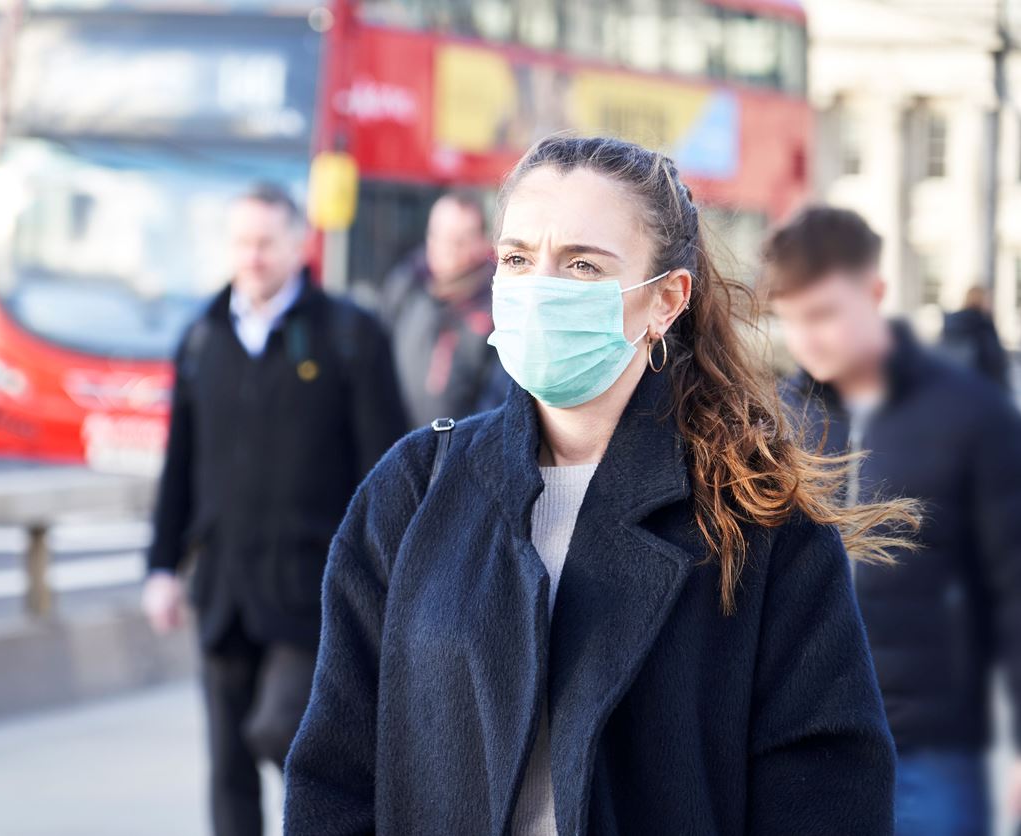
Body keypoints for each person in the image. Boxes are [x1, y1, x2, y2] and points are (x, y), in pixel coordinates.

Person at [284, 136, 912, 834]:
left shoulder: (757, 519)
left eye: (581, 265)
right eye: (518, 259)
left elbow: (825, 792)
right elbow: (335, 774)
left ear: (665, 301)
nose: (539, 289)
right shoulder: (413, 489)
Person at [142, 183, 406, 836]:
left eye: (265, 243)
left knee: (286, 731)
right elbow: (179, 462)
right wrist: (161, 566)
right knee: (227, 765)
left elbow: (389, 466)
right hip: (224, 585)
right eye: (241, 243)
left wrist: (388, 574)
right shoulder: (203, 338)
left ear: (298, 245)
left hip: (315, 590)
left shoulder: (349, 335)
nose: (252, 257)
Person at [763, 206, 1021, 836]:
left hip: (928, 750)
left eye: (823, 314)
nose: (806, 338)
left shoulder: (968, 414)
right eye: (790, 319)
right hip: (802, 745)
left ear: (874, 294)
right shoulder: (773, 425)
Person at [381, 191, 508, 427]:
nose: (446, 249)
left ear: (482, 243)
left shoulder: (497, 305)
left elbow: (497, 400)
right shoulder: (407, 286)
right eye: (438, 236)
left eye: (459, 240)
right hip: (401, 445)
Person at [940, 285, 1011, 390]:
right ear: (983, 301)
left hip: (955, 391)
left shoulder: (952, 326)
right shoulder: (982, 327)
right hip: (982, 392)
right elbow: (994, 365)